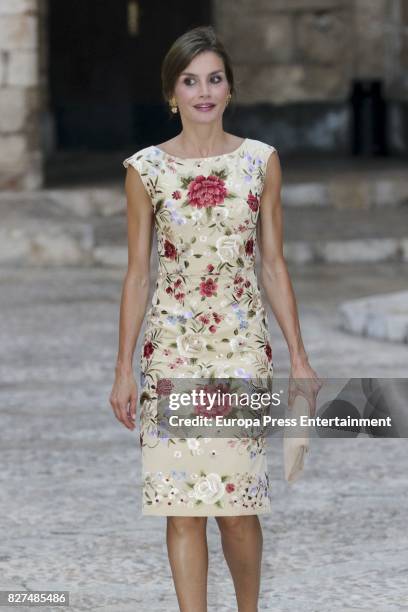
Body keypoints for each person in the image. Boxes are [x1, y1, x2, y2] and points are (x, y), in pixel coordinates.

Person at [110, 25, 320, 612]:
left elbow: (273, 265)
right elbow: (137, 274)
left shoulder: (260, 164)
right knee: (181, 510)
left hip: (240, 353)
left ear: (230, 88)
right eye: (190, 80)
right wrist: (123, 368)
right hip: (171, 352)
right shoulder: (145, 171)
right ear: (172, 92)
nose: (204, 91)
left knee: (235, 508)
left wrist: (299, 357)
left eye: (215, 78)